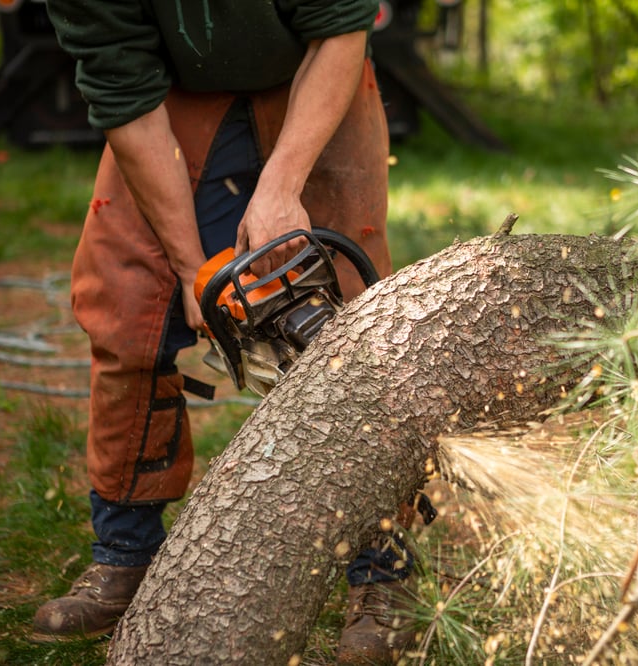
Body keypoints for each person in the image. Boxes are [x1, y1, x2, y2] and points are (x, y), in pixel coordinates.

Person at [31, 1, 414, 662]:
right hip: (169, 96)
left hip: (315, 69)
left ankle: (383, 575)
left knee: (350, 331)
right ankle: (126, 554)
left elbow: (341, 28)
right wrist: (188, 267)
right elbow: (124, 92)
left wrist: (281, 187)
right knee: (128, 317)